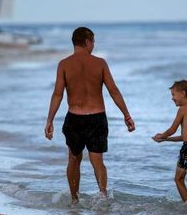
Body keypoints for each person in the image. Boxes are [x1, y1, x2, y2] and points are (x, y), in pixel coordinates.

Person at [45, 26, 135, 202]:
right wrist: (127, 115)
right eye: (93, 41)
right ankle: (103, 196)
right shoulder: (100, 63)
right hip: (97, 118)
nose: (93, 45)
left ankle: (74, 199)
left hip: (74, 118)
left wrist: (50, 120)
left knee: (73, 159)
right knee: (97, 160)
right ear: (87, 42)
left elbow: (57, 94)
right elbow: (114, 91)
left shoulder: (64, 64)